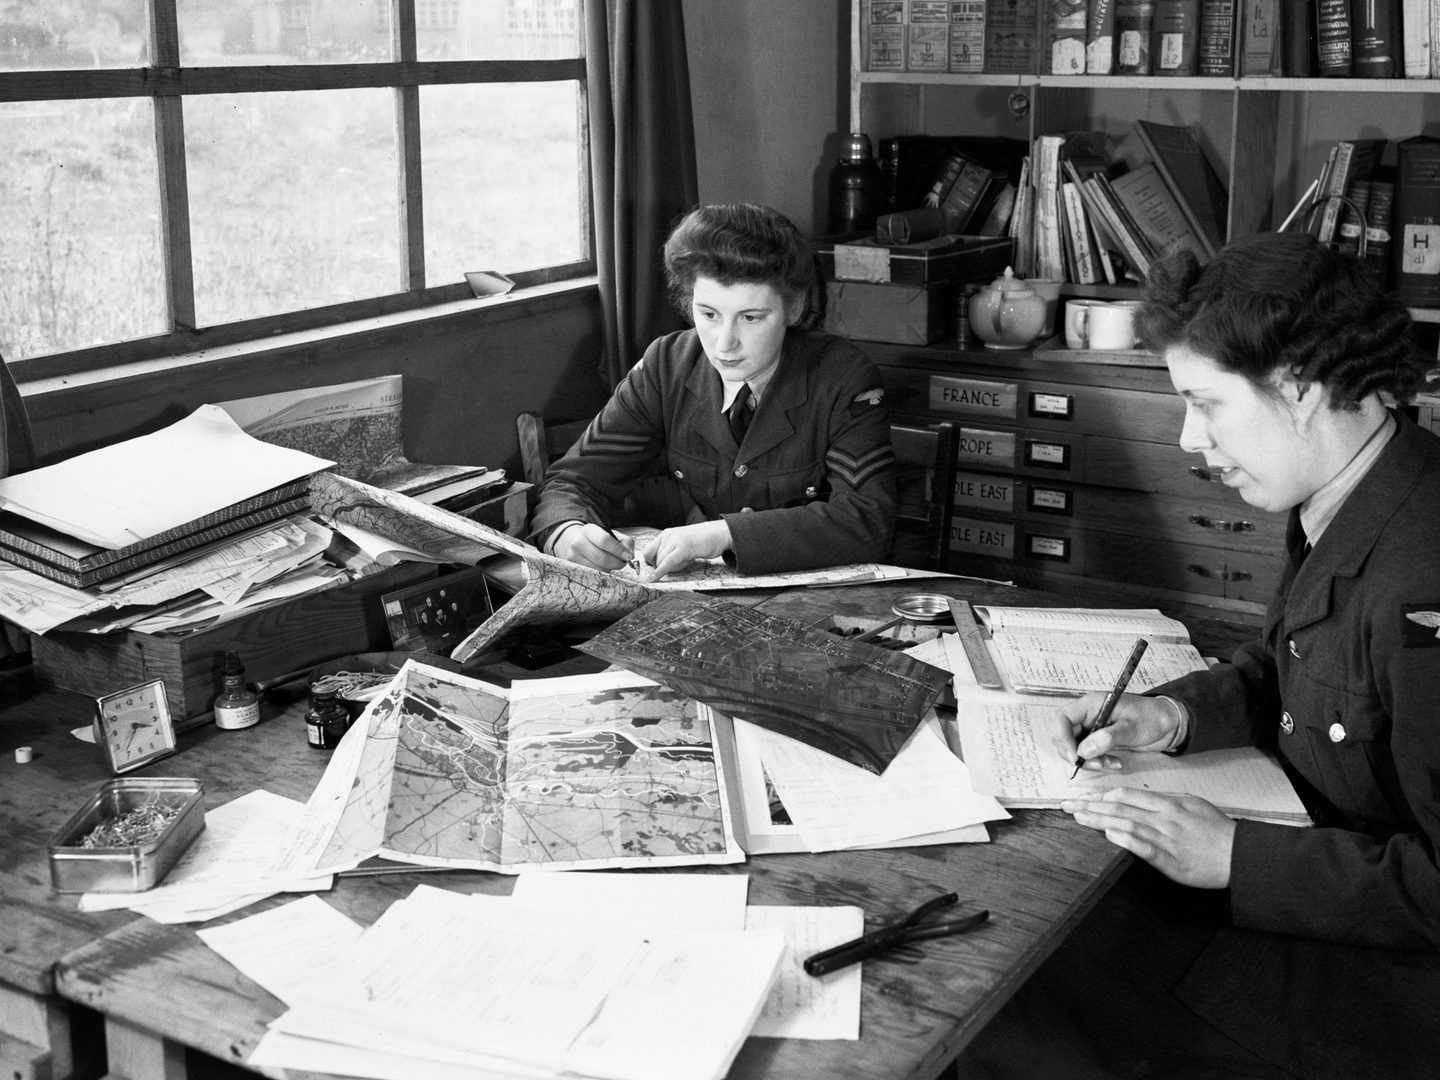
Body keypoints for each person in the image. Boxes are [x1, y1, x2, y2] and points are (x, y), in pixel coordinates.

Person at [958, 231, 1440, 1080]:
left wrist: (1233, 858)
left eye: (1206, 402)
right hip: (1315, 879)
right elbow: (1288, 667)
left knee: (1007, 1020)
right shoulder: (1361, 487)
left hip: (1383, 987)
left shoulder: (1421, 584)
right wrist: (1173, 715)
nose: (1187, 439)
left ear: (1298, 387)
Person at [529, 203, 896, 580]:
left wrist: (723, 535)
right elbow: (572, 482)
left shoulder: (844, 378)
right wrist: (566, 531)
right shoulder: (666, 366)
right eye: (708, 314)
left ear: (794, 307)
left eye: (750, 318)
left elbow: (867, 521)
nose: (724, 344)